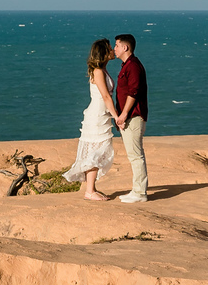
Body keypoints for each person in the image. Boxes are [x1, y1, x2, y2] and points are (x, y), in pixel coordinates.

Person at [62, 38, 121, 201]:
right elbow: (105, 97)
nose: (112, 51)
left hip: (101, 116)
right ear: (103, 52)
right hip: (96, 117)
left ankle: (91, 189)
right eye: (110, 48)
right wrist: (116, 117)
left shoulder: (102, 69)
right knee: (96, 152)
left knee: (97, 152)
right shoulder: (98, 71)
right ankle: (89, 191)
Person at [113, 33, 148, 203]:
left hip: (133, 116)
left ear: (125, 47)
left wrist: (124, 113)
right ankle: (137, 190)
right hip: (129, 116)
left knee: (135, 155)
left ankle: (140, 193)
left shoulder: (133, 66)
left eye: (117, 46)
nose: (114, 49)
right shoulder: (127, 65)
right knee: (134, 154)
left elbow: (133, 91)